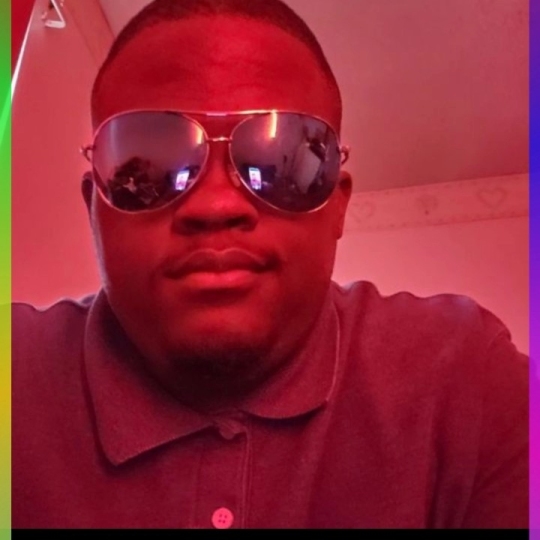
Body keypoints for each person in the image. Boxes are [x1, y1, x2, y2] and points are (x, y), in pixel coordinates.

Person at [12, 0, 528, 529]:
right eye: (153, 161)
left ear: (338, 206)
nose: (216, 205)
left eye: (276, 160)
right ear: (95, 207)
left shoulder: (466, 383)